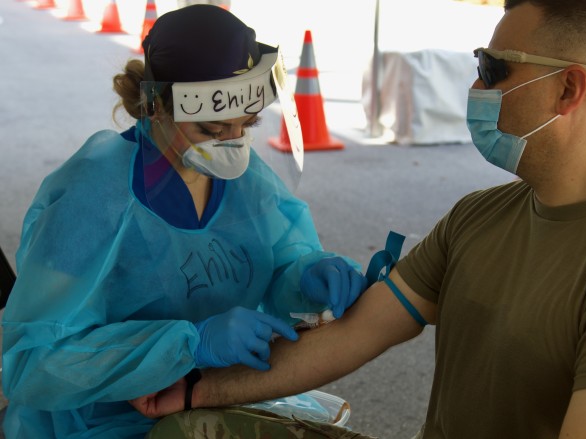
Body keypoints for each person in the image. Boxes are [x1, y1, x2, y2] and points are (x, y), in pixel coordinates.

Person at [131, 0, 586, 438]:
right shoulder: (479, 215)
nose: (475, 85)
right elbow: (354, 334)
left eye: (492, 68)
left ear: (569, 89)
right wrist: (197, 390)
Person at [1, 5, 367, 438]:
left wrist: (307, 275)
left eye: (246, 124)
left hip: (212, 395)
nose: (233, 145)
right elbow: (32, 360)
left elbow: (279, 259)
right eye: (212, 131)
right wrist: (188, 343)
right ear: (157, 107)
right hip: (100, 420)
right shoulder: (92, 199)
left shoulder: (246, 180)